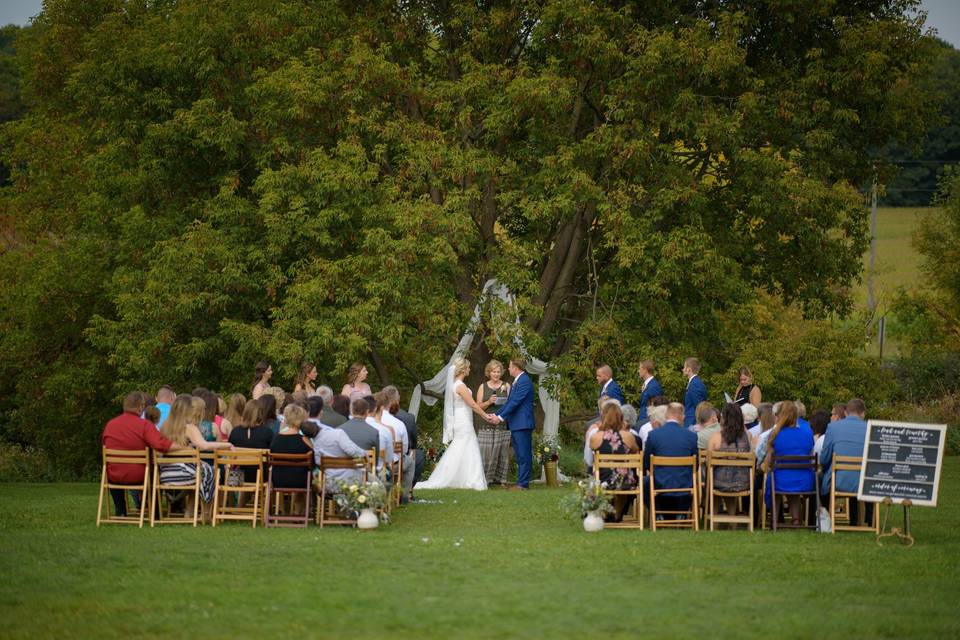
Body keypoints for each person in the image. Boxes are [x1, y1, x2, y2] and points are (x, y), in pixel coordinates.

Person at [101, 392, 182, 517]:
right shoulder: (144, 425)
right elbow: (161, 445)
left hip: (114, 474)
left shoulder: (110, 425)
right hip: (139, 475)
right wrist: (182, 447)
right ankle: (154, 512)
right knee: (155, 471)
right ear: (140, 407)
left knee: (114, 469)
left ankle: (121, 510)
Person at [415, 358, 490, 490]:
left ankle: (463, 478)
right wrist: (485, 416)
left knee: (462, 447)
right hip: (463, 419)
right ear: (463, 369)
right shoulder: (460, 386)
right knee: (466, 445)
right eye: (468, 368)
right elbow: (472, 404)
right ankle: (472, 479)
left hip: (462, 418)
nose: (470, 370)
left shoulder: (454, 385)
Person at [159, 395, 232, 520]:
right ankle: (206, 514)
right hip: (184, 475)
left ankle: (190, 512)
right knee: (209, 471)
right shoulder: (189, 427)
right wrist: (227, 444)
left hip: (165, 475)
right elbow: (203, 445)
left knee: (200, 468)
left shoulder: (164, 427)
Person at [760, 401, 814, 526]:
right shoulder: (807, 433)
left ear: (780, 415)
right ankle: (796, 519)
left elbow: (768, 463)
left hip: (781, 480)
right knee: (789, 476)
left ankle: (774, 518)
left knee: (774, 478)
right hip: (804, 481)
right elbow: (810, 456)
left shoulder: (775, 434)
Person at [819, 398, 872, 526]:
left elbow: (824, 458)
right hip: (865, 485)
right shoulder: (871, 429)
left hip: (838, 482)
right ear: (863, 413)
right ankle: (869, 521)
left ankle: (826, 519)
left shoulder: (832, 428)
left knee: (821, 478)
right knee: (863, 476)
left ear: (846, 413)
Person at [644, 403, 698, 516]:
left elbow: (647, 463)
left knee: (645, 482)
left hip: (660, 483)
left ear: (667, 415)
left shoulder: (654, 435)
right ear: (682, 416)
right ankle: (682, 513)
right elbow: (695, 465)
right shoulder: (691, 436)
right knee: (694, 480)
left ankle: (658, 514)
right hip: (684, 484)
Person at [492, 357, 536, 490]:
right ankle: (521, 482)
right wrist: (496, 414)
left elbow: (515, 402)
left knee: (523, 454)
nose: (508, 369)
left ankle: (523, 484)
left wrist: (499, 417)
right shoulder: (518, 381)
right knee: (520, 454)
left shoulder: (524, 381)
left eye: (510, 367)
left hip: (522, 423)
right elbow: (509, 403)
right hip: (517, 423)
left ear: (516, 368)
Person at [590, 402, 639, 520]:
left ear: (603, 417)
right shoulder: (628, 436)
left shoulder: (596, 437)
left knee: (593, 474)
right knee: (625, 477)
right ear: (621, 418)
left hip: (602, 479)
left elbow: (592, 455)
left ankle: (604, 513)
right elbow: (635, 451)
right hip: (624, 480)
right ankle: (617, 513)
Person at [707, 402, 752, 522]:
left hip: (719, 483)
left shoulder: (716, 437)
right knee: (729, 477)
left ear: (724, 418)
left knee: (713, 478)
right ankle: (733, 522)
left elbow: (708, 462)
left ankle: (714, 521)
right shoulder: (748, 436)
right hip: (743, 483)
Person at [475, 359, 513, 486]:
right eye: (493, 372)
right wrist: (489, 401)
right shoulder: (482, 386)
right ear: (489, 373)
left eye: (498, 372)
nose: (496, 374)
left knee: (502, 452)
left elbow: (512, 404)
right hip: (486, 423)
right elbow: (478, 406)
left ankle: (501, 480)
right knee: (485, 452)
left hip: (502, 424)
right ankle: (485, 479)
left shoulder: (506, 386)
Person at [380, 386, 414, 501]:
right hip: (392, 465)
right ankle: (403, 496)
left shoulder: (369, 421)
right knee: (410, 461)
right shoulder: (398, 424)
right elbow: (404, 450)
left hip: (372, 464)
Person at [269, 404, 314, 491]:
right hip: (301, 481)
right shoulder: (305, 440)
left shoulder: (276, 439)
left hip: (278, 480)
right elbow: (313, 464)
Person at [339, 398, 381, 467]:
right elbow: (375, 462)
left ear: (352, 411)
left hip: (342, 470)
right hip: (363, 473)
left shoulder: (339, 429)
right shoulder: (373, 432)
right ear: (367, 412)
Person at [585, 397, 621, 474]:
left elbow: (588, 461)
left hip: (602, 481)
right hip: (625, 482)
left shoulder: (595, 434)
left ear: (603, 415)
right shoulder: (630, 435)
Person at [682, 357, 708, 430]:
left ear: (689, 369)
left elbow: (699, 406)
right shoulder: (694, 382)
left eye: (684, 367)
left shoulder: (695, 384)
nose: (683, 369)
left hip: (693, 422)